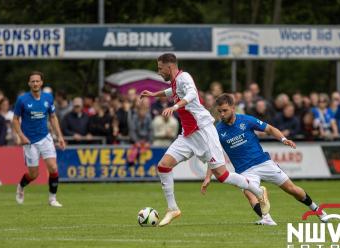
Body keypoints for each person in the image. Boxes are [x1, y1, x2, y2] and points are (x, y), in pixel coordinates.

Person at [140, 53, 269, 227]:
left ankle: (257, 190)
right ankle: (172, 209)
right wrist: (154, 94)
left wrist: (175, 106)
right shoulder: (176, 81)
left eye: (160, 68)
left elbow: (192, 94)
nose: (158, 72)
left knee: (222, 176)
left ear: (169, 67)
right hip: (188, 135)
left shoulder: (184, 77)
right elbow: (173, 91)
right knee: (163, 166)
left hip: (203, 131)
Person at [201, 94, 328, 225]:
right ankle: (267, 218)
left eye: (225, 110)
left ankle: (317, 210)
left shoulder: (246, 120)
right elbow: (214, 156)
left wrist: (284, 139)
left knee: (292, 189)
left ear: (233, 108)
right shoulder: (217, 131)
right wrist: (208, 177)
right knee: (249, 194)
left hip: (263, 162)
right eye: (219, 111)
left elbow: (270, 129)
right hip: (244, 170)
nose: (222, 114)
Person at [13, 71, 65, 207]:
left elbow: (53, 117)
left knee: (53, 168)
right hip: (29, 141)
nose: (35, 83)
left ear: (41, 83)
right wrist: (21, 136)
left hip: (45, 137)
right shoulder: (22, 100)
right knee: (33, 174)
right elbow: (15, 120)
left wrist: (59, 136)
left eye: (37, 81)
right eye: (33, 81)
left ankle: (52, 199)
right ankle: (20, 186)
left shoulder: (48, 97)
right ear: (29, 83)